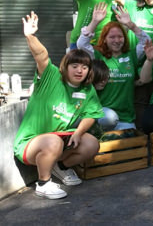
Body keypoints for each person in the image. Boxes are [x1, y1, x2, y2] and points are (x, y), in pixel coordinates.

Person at [14, 12, 104, 199]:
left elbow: (91, 114)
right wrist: (30, 36)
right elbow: (41, 55)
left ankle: (61, 167)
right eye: (75, 66)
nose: (80, 70)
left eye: (84, 67)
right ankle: (43, 183)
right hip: (31, 143)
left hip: (60, 140)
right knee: (53, 141)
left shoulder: (87, 90)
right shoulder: (51, 76)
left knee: (92, 143)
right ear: (66, 67)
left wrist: (78, 133)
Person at [77, 3, 150, 131]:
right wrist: (94, 22)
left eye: (120, 36)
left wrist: (130, 25)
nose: (117, 40)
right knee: (109, 119)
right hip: (102, 115)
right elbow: (81, 44)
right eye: (112, 37)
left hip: (125, 118)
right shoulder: (98, 55)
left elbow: (146, 41)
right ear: (104, 39)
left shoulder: (131, 55)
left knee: (129, 146)